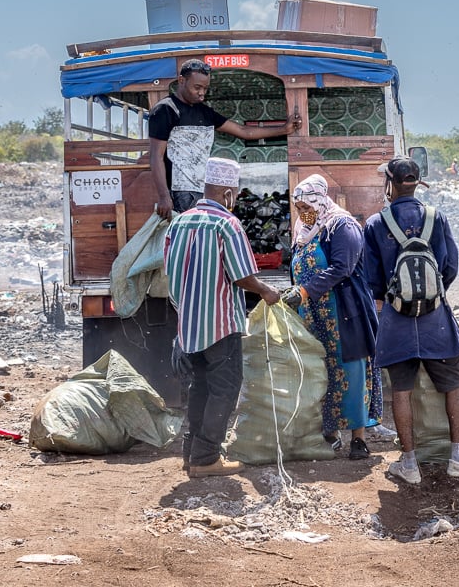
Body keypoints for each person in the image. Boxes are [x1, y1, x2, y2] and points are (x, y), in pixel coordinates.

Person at [362, 157, 459, 484]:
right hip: (436, 320)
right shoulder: (437, 218)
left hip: (396, 320)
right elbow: (451, 267)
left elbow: (371, 278)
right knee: (453, 382)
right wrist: (430, 294)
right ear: (417, 183)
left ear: (390, 183)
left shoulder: (376, 224)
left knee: (401, 390)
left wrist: (396, 297)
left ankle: (409, 463)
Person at [164, 157, 282, 478]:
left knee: (200, 386)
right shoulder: (226, 224)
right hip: (220, 324)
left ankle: (191, 453)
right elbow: (242, 274)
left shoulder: (179, 223)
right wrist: (266, 291)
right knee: (226, 388)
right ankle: (206, 458)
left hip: (189, 324)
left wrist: (186, 310)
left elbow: (169, 276)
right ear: (228, 192)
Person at [282, 174, 378, 461]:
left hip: (344, 312)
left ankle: (358, 438)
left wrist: (305, 291)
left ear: (320, 201)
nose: (302, 213)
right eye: (298, 208)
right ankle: (330, 434)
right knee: (319, 370)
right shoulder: (304, 228)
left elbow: (342, 268)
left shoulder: (341, 225)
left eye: (306, 206)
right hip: (312, 314)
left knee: (350, 370)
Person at [149, 59, 300, 219]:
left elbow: (243, 131)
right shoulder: (165, 110)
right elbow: (155, 156)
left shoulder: (205, 112)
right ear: (181, 81)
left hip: (204, 191)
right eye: (197, 87)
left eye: (205, 89)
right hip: (180, 193)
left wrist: (284, 129)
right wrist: (164, 196)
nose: (202, 93)